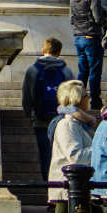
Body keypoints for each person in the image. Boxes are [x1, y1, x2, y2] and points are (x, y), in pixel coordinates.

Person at [32, 80, 101, 213]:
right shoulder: (68, 124)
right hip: (67, 187)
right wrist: (101, 149)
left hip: (77, 188)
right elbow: (75, 155)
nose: (89, 99)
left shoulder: (79, 124)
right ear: (77, 99)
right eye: (86, 95)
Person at [20, 37, 72, 176]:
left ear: (43, 51)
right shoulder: (66, 71)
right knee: (61, 151)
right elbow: (72, 97)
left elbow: (27, 95)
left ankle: (46, 182)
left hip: (40, 118)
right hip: (61, 118)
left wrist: (28, 113)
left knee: (44, 153)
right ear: (59, 52)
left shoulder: (32, 70)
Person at [71, 0, 107, 108]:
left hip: (78, 37)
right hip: (91, 37)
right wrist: (105, 21)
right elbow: (98, 19)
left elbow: (71, 19)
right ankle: (95, 102)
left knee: (83, 71)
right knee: (94, 71)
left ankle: (78, 100)